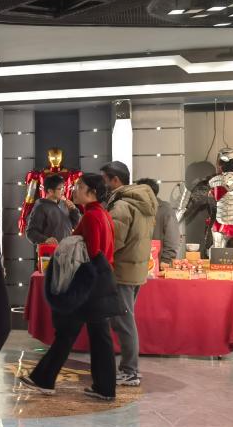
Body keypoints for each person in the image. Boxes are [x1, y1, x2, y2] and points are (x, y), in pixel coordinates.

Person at [20, 173, 119, 401]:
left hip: (88, 284)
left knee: (68, 333)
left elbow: (91, 254)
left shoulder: (91, 216)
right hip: (101, 281)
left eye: (80, 186)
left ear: (92, 192)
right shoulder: (101, 214)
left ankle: (44, 379)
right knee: (97, 337)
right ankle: (104, 388)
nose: (74, 189)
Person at [100, 161, 157, 388]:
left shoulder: (122, 206)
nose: (103, 184)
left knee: (124, 322)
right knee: (124, 319)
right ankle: (129, 369)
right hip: (135, 268)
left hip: (122, 270)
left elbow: (113, 241)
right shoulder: (142, 202)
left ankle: (129, 371)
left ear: (115, 180)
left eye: (105, 179)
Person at [25, 172, 80, 245]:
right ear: (50, 191)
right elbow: (31, 232)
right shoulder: (41, 207)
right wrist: (45, 240)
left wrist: (74, 210)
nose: (63, 191)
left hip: (67, 248)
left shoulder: (64, 204)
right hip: (50, 250)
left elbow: (74, 225)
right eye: (60, 189)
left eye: (64, 188)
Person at [137, 178, 180, 266]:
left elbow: (172, 237)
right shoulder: (136, 208)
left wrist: (166, 259)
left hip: (158, 262)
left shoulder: (165, 209)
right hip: (137, 262)